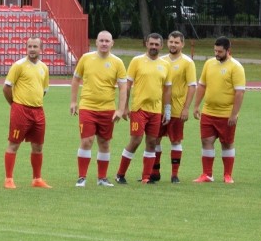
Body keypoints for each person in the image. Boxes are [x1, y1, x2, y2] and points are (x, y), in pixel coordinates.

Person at [70, 30, 127, 188]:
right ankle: (81, 177)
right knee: (87, 141)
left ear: (112, 43)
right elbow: (75, 79)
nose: (104, 43)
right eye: (101, 40)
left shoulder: (117, 62)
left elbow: (123, 88)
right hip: (88, 106)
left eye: (107, 41)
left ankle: (102, 178)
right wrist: (73, 102)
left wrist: (120, 110)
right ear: (96, 42)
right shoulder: (86, 58)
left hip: (108, 109)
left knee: (104, 143)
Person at [115, 33, 172, 185]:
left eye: (156, 44)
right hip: (139, 108)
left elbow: (167, 89)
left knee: (152, 142)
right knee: (136, 140)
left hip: (156, 110)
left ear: (161, 46)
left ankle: (146, 177)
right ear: (146, 44)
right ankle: (120, 174)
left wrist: (167, 111)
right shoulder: (137, 61)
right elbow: (127, 86)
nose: (153, 47)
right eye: (151, 44)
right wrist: (125, 107)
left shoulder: (166, 64)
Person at [192, 36, 246, 184]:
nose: (216, 54)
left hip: (226, 114)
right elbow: (202, 85)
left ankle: (228, 175)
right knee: (206, 141)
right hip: (208, 112)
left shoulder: (236, 67)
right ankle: (207, 174)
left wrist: (234, 114)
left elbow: (240, 92)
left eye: (220, 51)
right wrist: (196, 106)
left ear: (228, 51)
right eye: (215, 50)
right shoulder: (209, 64)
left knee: (227, 143)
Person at [3, 37, 52, 189]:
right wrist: (14, 104)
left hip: (38, 111)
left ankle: (37, 179)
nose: (32, 49)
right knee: (14, 144)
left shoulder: (44, 67)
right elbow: (6, 88)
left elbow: (43, 90)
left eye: (35, 46)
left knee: (38, 146)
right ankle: (9, 179)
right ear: (26, 48)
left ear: (41, 49)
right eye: (29, 46)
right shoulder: (18, 65)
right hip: (20, 110)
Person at [153, 31, 197, 183]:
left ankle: (174, 175)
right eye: (171, 41)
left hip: (177, 109)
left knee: (176, 141)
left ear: (182, 44)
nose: (173, 44)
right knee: (155, 139)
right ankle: (155, 172)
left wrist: (186, 108)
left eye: (176, 42)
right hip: (158, 108)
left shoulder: (187, 62)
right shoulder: (161, 60)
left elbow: (192, 86)